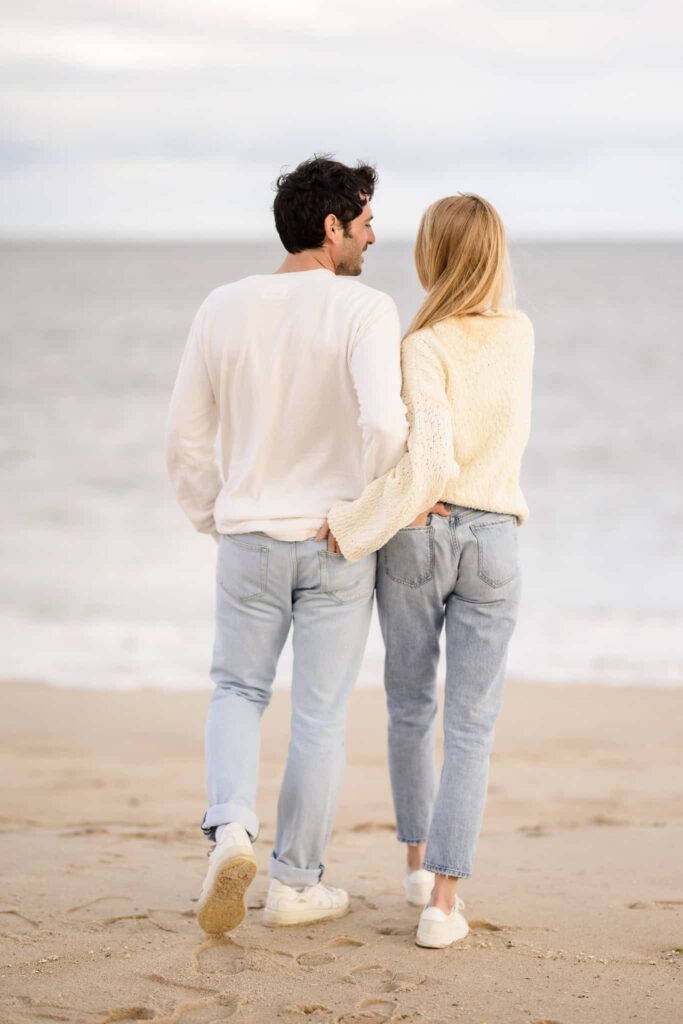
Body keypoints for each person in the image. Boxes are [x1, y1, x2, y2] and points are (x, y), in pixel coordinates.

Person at [165, 155, 408, 934]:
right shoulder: (363, 309)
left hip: (249, 538)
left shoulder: (221, 306)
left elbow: (185, 435)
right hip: (334, 540)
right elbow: (383, 425)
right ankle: (296, 884)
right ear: (332, 227)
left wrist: (215, 515)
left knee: (237, 690)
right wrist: (366, 508)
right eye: (366, 220)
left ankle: (231, 831)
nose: (375, 234)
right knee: (319, 716)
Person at [326, 194, 534, 949]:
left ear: (433, 256)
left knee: (410, 707)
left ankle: (416, 864)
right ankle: (442, 904)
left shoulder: (421, 344)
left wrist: (353, 524)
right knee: (470, 725)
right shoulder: (520, 334)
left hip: (421, 533)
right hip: (495, 539)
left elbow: (429, 462)